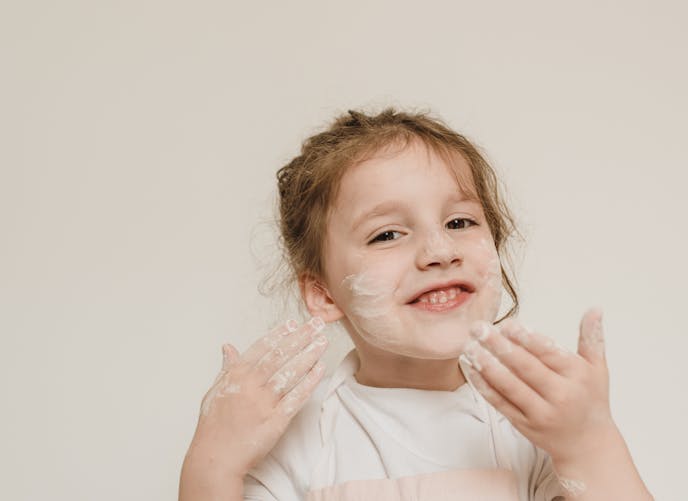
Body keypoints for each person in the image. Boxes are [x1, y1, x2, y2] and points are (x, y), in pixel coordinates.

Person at [178, 108, 653, 500]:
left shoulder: (532, 423)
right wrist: (213, 466)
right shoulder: (299, 441)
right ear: (323, 294)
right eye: (387, 234)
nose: (440, 250)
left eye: (460, 222)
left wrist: (589, 443)